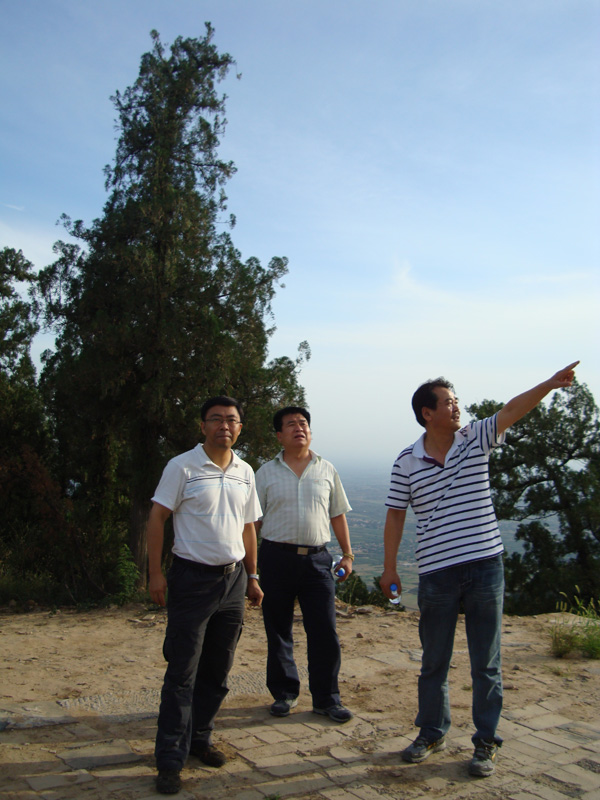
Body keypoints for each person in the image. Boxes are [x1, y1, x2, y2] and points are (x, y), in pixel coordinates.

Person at [380, 362, 579, 778]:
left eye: (457, 401)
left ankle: (486, 741)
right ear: (426, 413)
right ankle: (431, 733)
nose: (457, 407)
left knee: (486, 663)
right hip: (436, 572)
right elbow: (396, 514)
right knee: (434, 661)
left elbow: (512, 410)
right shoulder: (406, 461)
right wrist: (389, 568)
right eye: (448, 403)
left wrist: (549, 384)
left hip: (486, 565)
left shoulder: (476, 437)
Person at [147, 396, 263, 795]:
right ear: (202, 426)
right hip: (191, 579)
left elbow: (248, 527)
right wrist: (155, 573)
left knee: (218, 669)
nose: (224, 426)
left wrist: (253, 576)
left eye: (231, 420)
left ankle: (200, 739)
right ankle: (169, 760)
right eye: (216, 419)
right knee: (182, 673)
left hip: (233, 581)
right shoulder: (182, 466)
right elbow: (157, 517)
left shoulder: (245, 471)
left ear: (240, 428)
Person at [255, 406, 354, 723]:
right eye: (291, 424)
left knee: (325, 631)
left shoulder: (327, 469)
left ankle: (327, 699)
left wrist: (348, 554)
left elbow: (337, 513)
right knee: (278, 630)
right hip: (275, 558)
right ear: (279, 435)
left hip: (317, 560)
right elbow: (253, 522)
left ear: (310, 432)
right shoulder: (265, 473)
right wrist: (251, 569)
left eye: (303, 423)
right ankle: (284, 693)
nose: (299, 428)